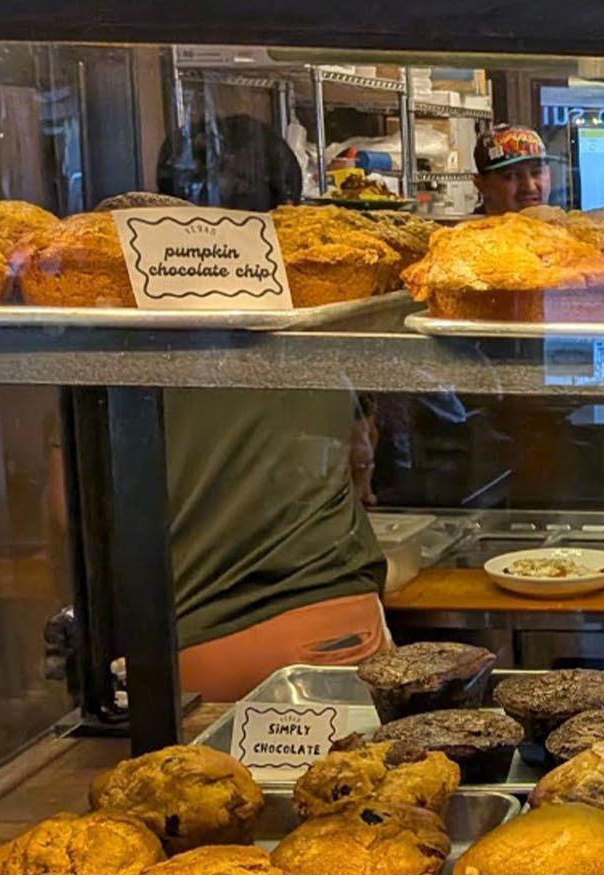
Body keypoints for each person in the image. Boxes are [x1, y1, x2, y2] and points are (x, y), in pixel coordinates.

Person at [57, 115, 389, 703]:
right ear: (288, 208)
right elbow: (358, 452)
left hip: (183, 649)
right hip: (337, 629)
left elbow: (66, 508)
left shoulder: (112, 324)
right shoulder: (319, 305)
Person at [472, 124, 560, 215]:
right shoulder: (467, 228)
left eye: (537, 173)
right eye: (510, 176)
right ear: (481, 185)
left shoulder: (562, 226)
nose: (530, 187)